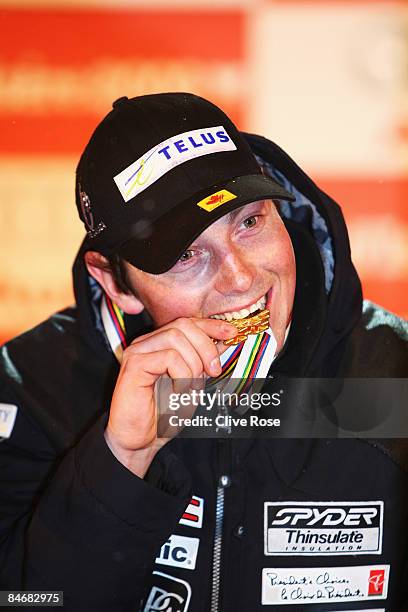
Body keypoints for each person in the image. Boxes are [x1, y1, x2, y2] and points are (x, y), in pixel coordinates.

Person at [0, 93, 407, 611]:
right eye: (186, 254)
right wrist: (119, 460)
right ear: (115, 282)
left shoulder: (395, 373)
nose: (241, 278)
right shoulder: (31, 391)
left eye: (250, 222)